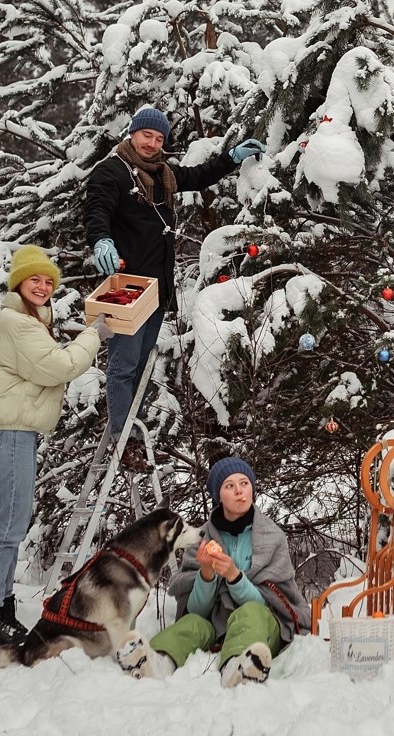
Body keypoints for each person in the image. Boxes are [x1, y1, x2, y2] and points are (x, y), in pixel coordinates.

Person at [84, 106, 265, 470]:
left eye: (159, 138)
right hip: (126, 287)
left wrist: (231, 157)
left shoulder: (163, 174)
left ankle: (132, 434)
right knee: (123, 366)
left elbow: (198, 175)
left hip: (157, 289)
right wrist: (101, 240)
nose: (152, 143)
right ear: (132, 133)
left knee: (139, 369)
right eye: (146, 135)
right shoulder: (112, 171)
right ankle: (124, 442)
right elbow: (96, 209)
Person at [0, 245, 110, 652]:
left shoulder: (30, 322)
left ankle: (3, 612)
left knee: (13, 526)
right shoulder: (15, 322)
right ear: (19, 282)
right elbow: (59, 366)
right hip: (12, 432)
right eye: (35, 278)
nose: (43, 286)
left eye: (49, 280)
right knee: (9, 531)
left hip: (18, 433)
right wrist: (94, 335)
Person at [115, 457, 310, 687]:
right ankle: (156, 661)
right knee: (192, 625)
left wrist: (234, 577)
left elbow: (267, 604)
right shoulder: (202, 538)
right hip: (216, 624)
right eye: (230, 486)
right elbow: (196, 611)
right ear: (219, 496)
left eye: (244, 483)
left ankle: (237, 669)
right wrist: (206, 573)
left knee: (250, 612)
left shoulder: (273, 537)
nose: (239, 491)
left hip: (263, 625)